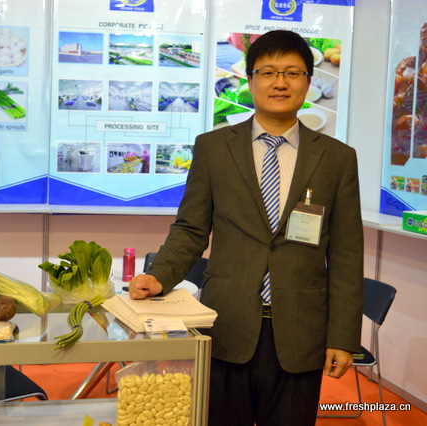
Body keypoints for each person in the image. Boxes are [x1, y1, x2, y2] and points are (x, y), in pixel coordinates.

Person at [128, 30, 363, 425]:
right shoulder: (213, 148)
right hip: (227, 324)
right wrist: (160, 276)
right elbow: (190, 229)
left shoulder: (337, 158)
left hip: (301, 331)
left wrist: (342, 336)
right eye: (268, 72)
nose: (280, 82)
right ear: (250, 81)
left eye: (292, 73)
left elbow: (346, 253)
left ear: (308, 82)